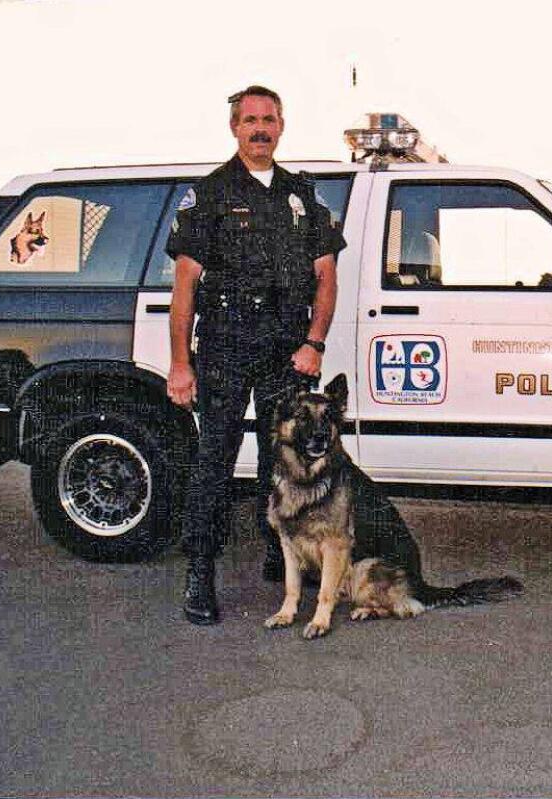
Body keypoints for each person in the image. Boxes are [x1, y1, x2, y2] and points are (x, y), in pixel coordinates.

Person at [165, 85, 346, 625]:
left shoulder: (302, 194)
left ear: (282, 125)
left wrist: (314, 343)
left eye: (269, 119)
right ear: (235, 129)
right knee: (213, 461)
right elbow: (185, 289)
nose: (260, 128)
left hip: (285, 350)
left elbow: (325, 276)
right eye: (250, 120)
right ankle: (200, 571)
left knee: (280, 458)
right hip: (224, 346)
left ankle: (278, 553)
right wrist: (180, 363)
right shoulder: (211, 193)